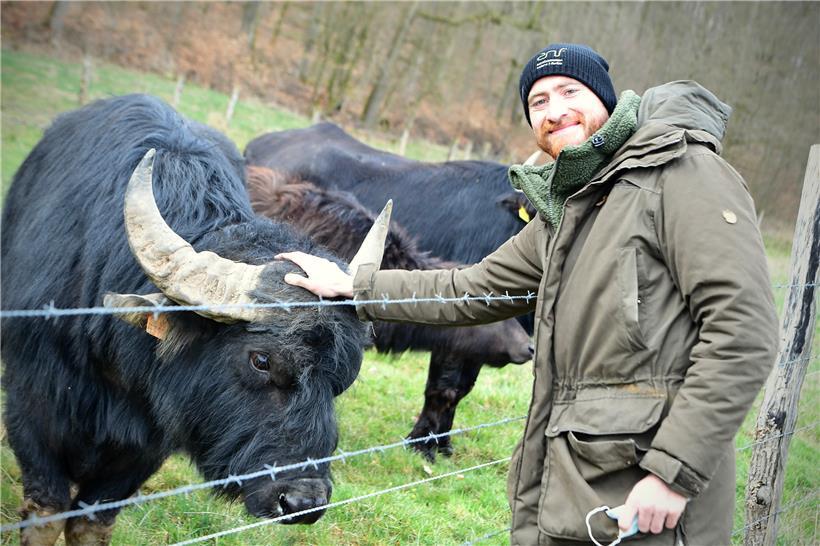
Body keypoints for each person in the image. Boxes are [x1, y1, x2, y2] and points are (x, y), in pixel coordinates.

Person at [277, 43, 778, 545]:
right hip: (577, 485)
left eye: (569, 91)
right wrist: (355, 285)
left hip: (652, 495)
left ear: (606, 99)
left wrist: (674, 472)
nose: (554, 111)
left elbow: (743, 333)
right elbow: (471, 288)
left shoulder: (682, 174)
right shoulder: (572, 207)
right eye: (538, 102)